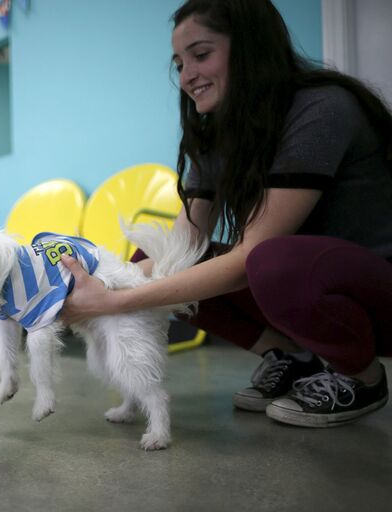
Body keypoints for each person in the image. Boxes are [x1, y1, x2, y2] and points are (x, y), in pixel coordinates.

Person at [60, 0, 392, 427]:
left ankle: (361, 378)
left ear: (252, 49)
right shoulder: (219, 132)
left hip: (376, 292)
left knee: (270, 262)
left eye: (201, 55)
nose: (186, 76)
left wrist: (113, 300)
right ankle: (293, 358)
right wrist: (93, 284)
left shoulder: (321, 109)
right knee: (160, 261)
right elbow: (184, 247)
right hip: (315, 287)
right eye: (179, 63)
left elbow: (250, 256)